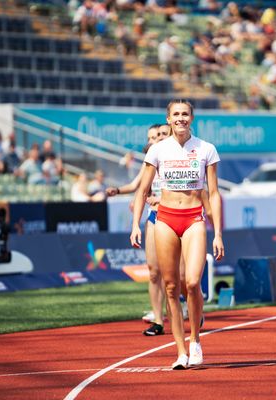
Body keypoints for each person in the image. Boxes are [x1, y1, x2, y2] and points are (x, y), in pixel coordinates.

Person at [130, 100, 224, 369]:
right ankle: (180, 351)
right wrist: (136, 224)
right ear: (168, 119)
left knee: (192, 282)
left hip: (194, 218)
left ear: (191, 118)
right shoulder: (158, 150)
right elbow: (143, 190)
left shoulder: (206, 149)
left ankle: (195, 340)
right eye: (176, 114)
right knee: (171, 287)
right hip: (166, 219)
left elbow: (214, 193)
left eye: (185, 114)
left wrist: (218, 233)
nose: (181, 118)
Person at [107, 123, 170, 335]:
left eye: (161, 135)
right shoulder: (150, 160)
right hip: (155, 217)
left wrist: (162, 198)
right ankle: (159, 321)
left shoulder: (181, 158)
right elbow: (139, 188)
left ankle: (186, 310)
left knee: (179, 276)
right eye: (154, 136)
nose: (156, 139)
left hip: (179, 217)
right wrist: (120, 193)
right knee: (154, 272)